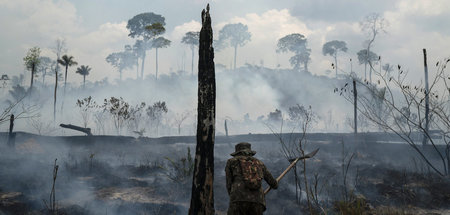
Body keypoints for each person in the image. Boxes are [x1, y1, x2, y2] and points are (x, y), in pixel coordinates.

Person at [225, 142, 278, 215]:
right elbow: (273, 183)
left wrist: (234, 197)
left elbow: (228, 183)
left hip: (238, 199)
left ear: (237, 152)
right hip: (257, 201)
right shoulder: (259, 163)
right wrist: (275, 184)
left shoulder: (231, 162)